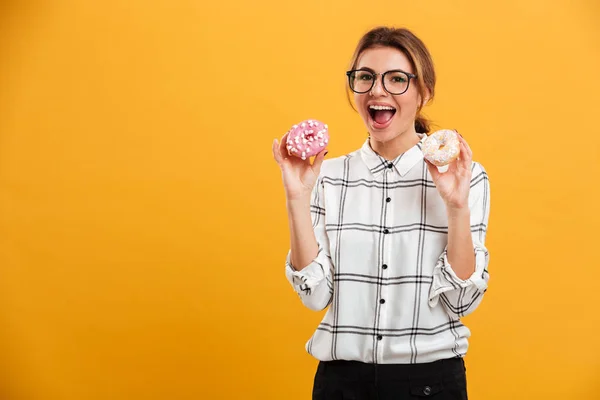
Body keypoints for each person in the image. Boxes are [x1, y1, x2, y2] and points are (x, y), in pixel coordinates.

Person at [272, 26, 490, 400]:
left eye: (397, 79)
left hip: (430, 385)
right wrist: (296, 198)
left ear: (424, 92)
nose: (377, 89)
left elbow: (461, 301)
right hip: (341, 385)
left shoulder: (464, 177)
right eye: (366, 77)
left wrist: (456, 208)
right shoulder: (327, 177)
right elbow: (315, 296)